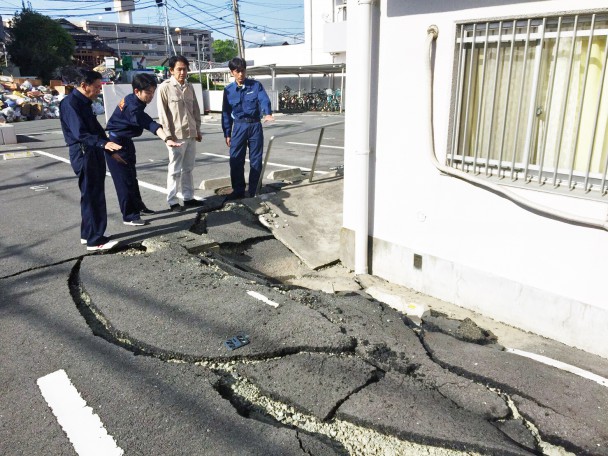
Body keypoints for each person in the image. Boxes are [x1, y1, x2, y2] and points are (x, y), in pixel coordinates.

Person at [105, 73, 182, 226]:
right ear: (137, 91)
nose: (151, 96)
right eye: (148, 92)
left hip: (125, 141)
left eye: (153, 91)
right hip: (115, 144)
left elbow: (146, 120)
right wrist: (167, 139)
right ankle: (129, 216)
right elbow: (148, 122)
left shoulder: (133, 99)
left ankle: (139, 207)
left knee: (132, 178)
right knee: (123, 181)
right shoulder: (133, 107)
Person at [59, 69, 123, 251]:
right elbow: (80, 133)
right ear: (83, 85)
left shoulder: (84, 103)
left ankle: (88, 234)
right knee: (93, 196)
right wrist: (103, 145)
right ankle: (96, 240)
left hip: (92, 151)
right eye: (96, 87)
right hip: (84, 153)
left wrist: (108, 147)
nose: (98, 90)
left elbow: (96, 129)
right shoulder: (70, 104)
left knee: (90, 195)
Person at [221, 57, 274, 199]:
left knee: (256, 159)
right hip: (238, 126)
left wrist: (267, 113)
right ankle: (238, 190)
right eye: (237, 71)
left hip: (255, 125)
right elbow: (225, 113)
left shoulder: (255, 85)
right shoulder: (228, 91)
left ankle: (254, 190)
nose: (241, 74)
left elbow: (264, 100)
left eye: (243, 71)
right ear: (232, 72)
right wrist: (227, 132)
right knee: (236, 159)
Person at [156, 55, 204, 212]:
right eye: (179, 69)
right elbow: (163, 115)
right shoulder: (165, 87)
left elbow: (195, 110)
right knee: (175, 170)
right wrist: (168, 137)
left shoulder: (189, 87)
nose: (183, 72)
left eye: (185, 69)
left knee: (188, 169)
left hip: (190, 134)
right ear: (171, 70)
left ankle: (188, 197)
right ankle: (172, 201)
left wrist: (197, 129)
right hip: (176, 136)